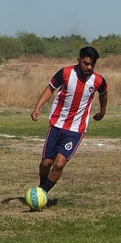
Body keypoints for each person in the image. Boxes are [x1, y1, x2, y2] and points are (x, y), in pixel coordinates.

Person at [31, 46, 108, 194]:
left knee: (59, 164)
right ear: (78, 60)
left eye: (92, 64)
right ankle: (41, 186)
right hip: (57, 124)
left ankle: (42, 193)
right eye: (86, 63)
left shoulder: (98, 80)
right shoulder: (65, 73)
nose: (89, 67)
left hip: (76, 130)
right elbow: (50, 88)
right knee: (46, 163)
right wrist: (37, 107)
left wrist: (102, 111)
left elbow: (104, 93)